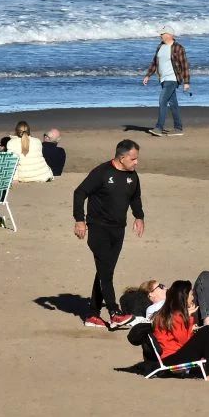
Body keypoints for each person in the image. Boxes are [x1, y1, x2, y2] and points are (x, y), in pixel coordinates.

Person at [73, 139, 145, 329]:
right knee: (106, 271)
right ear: (121, 158)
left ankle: (92, 314)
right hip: (98, 229)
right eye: (133, 159)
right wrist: (79, 220)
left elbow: (135, 197)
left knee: (105, 271)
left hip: (118, 230)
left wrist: (139, 216)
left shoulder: (132, 176)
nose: (136, 162)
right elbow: (79, 192)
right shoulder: (102, 173)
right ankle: (114, 312)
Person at [152, 281, 209, 381]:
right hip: (171, 359)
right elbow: (184, 341)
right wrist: (189, 318)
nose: (193, 297)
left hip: (174, 356)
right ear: (184, 297)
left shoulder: (168, 314)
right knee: (207, 331)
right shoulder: (174, 316)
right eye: (191, 294)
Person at [142, 24, 190, 137]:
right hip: (163, 79)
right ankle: (178, 128)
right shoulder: (160, 47)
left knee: (162, 100)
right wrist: (148, 75)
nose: (160, 36)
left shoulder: (178, 48)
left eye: (162, 34)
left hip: (173, 79)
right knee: (173, 104)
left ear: (169, 35)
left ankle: (159, 127)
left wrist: (187, 82)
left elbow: (185, 65)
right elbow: (154, 63)